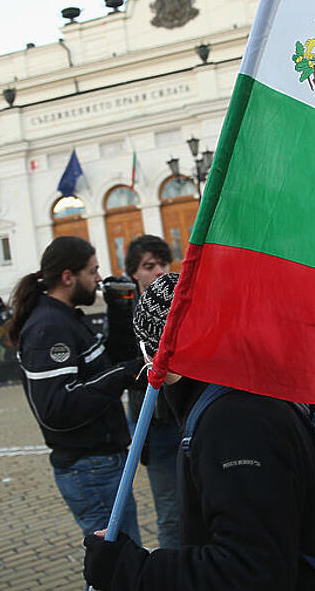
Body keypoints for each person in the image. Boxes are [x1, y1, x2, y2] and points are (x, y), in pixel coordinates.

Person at [82, 272, 315, 591]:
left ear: (157, 353)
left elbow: (252, 571)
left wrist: (131, 569)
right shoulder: (237, 389)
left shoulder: (232, 423)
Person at [9, 236, 142, 545]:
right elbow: (57, 408)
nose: (99, 279)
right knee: (117, 564)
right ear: (68, 277)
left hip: (101, 462)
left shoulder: (65, 318)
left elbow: (106, 364)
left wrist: (120, 310)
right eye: (93, 271)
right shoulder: (49, 327)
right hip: (89, 467)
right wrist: (123, 374)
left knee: (123, 559)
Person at [116, 235, 181, 549]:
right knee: (170, 511)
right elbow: (121, 367)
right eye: (149, 266)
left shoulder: (181, 306)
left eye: (163, 263)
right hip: (156, 425)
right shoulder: (125, 315)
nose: (158, 271)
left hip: (187, 418)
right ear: (134, 273)